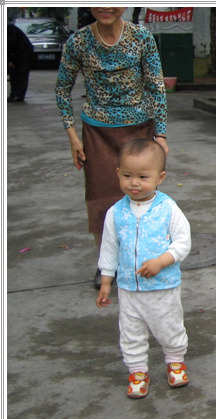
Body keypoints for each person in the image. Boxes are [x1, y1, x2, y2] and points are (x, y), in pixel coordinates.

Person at [55, 7, 168, 289]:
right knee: (101, 199)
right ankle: (106, 264)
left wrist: (161, 135)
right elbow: (62, 89)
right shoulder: (78, 41)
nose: (106, 6)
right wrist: (72, 135)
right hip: (97, 132)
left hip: (139, 129)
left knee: (142, 195)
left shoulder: (141, 36)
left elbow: (156, 86)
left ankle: (142, 258)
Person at [96, 139, 191, 399]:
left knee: (169, 326)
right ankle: (137, 370)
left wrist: (162, 261)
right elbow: (109, 249)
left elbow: (183, 242)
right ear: (118, 174)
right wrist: (106, 281)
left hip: (163, 286)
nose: (134, 183)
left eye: (143, 177)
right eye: (127, 176)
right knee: (131, 332)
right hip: (129, 288)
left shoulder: (168, 209)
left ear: (160, 178)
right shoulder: (115, 213)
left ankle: (175, 361)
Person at [7, 22, 34, 103]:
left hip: (23, 51)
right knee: (13, 74)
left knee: (22, 74)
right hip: (15, 52)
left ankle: (19, 95)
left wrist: (9, 60)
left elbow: (10, 43)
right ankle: (13, 94)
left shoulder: (9, 28)